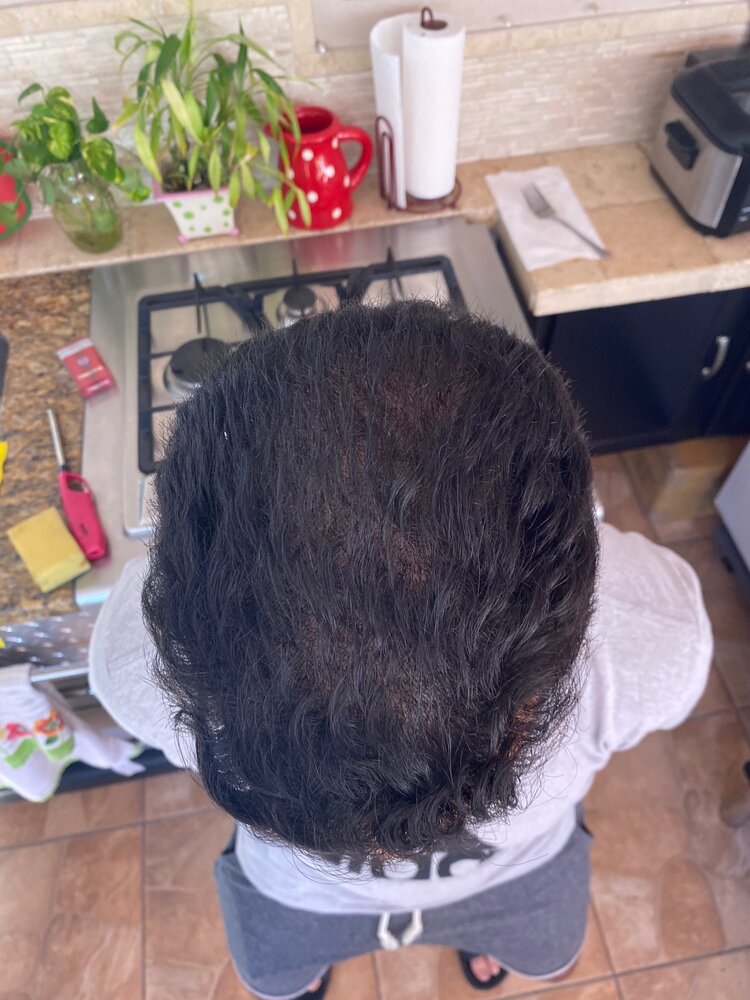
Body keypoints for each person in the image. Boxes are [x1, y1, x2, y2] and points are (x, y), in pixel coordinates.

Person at [90, 300, 712, 999]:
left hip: (415, 883)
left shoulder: (129, 659)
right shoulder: (654, 627)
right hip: (325, 894)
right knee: (281, 981)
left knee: (544, 962)